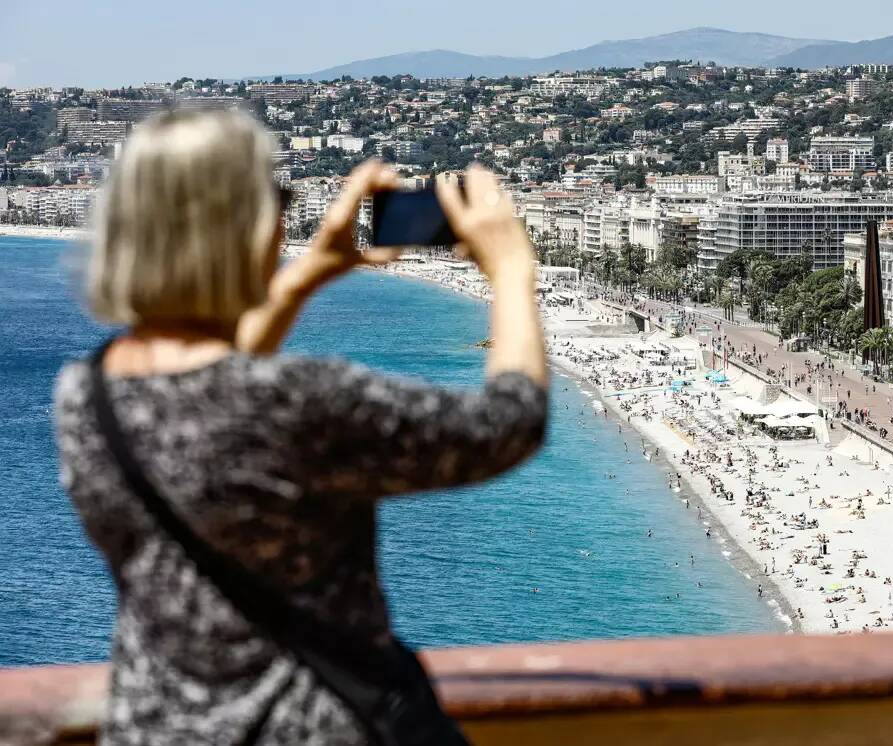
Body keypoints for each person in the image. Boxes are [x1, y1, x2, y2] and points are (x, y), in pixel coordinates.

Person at [54, 111, 549, 743]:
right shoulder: (302, 400)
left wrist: (311, 269)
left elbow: (211, 394)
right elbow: (508, 424)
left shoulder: (85, 394)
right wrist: (511, 271)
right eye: (278, 198)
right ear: (245, 227)